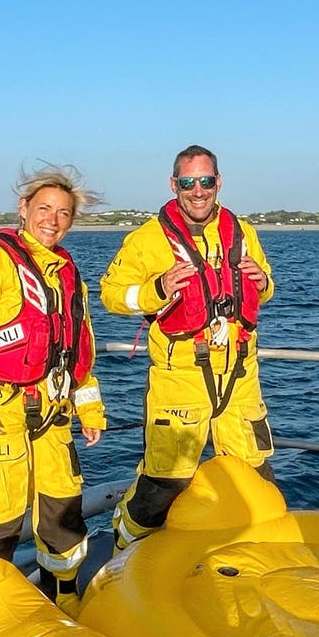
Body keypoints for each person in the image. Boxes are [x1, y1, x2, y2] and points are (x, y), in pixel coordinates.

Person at [0, 165, 106, 615]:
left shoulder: (68, 275)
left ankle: (63, 597)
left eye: (63, 213)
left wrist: (91, 410)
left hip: (53, 420)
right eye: (44, 208)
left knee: (62, 514)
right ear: (23, 209)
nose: (52, 219)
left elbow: (77, 350)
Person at [100, 144, 275, 551]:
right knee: (165, 484)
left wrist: (262, 283)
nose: (198, 191)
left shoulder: (242, 231)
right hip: (181, 380)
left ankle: (255, 555)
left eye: (206, 181)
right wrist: (156, 290)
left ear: (219, 182)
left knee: (256, 477)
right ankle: (123, 548)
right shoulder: (146, 240)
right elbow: (111, 295)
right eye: (188, 182)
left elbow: (264, 286)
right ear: (173, 184)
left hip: (239, 379)